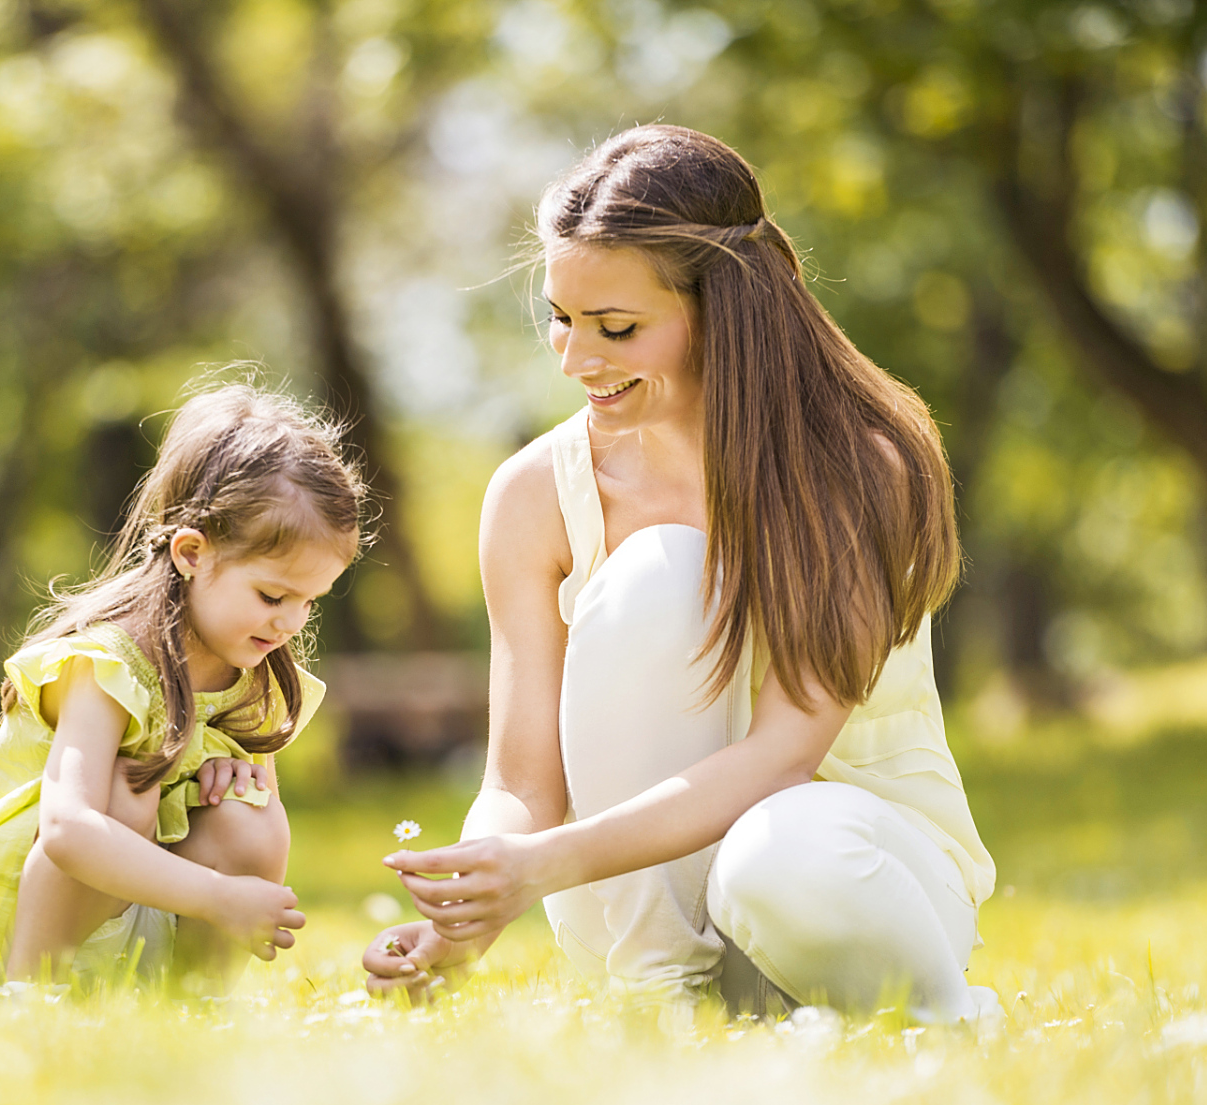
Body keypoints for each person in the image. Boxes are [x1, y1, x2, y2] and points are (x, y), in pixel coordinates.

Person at [363, 125, 998, 1023]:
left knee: (778, 856)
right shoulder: (535, 495)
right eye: (561, 318)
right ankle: (669, 1010)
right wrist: (469, 907)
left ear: (726, 308)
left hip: (845, 880)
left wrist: (543, 864)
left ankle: (943, 1022)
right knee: (657, 575)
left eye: (617, 328)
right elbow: (520, 782)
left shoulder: (853, 469)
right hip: (630, 911)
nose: (576, 359)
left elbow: (785, 754)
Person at [0, 379, 365, 990]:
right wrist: (217, 896)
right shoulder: (108, 666)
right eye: (272, 596)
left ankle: (194, 999)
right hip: (48, 921)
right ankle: (29, 996)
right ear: (192, 553)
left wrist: (233, 781)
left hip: (157, 915)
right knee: (124, 795)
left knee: (252, 813)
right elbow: (68, 830)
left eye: (310, 601)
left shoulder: (250, 668)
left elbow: (249, 827)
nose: (290, 623)